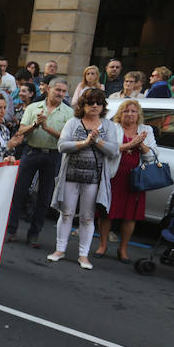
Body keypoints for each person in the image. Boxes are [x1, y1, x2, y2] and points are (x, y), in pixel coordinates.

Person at [47, 88, 118, 270]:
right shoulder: (73, 122)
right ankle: (59, 250)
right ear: (83, 105)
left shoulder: (108, 126)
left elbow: (113, 150)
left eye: (98, 103)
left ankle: (83, 255)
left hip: (94, 179)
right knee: (66, 213)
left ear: (103, 106)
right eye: (90, 102)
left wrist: (97, 141)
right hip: (70, 175)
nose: (94, 106)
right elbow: (62, 145)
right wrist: (84, 143)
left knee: (87, 217)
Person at [5, 77, 74, 247]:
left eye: (64, 91)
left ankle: (34, 234)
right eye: (58, 90)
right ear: (48, 89)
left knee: (44, 197)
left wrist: (47, 128)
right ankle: (11, 230)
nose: (61, 94)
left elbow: (68, 138)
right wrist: (35, 124)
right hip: (31, 152)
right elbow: (21, 131)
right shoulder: (33, 107)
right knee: (18, 192)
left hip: (53, 155)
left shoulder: (69, 113)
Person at [94, 99, 156, 262]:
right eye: (126, 111)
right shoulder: (113, 128)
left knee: (130, 216)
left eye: (133, 111)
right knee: (107, 212)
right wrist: (129, 145)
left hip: (135, 178)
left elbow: (152, 157)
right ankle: (103, 245)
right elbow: (106, 149)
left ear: (139, 115)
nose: (129, 114)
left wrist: (141, 144)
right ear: (120, 114)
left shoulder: (146, 130)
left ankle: (123, 250)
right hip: (114, 176)